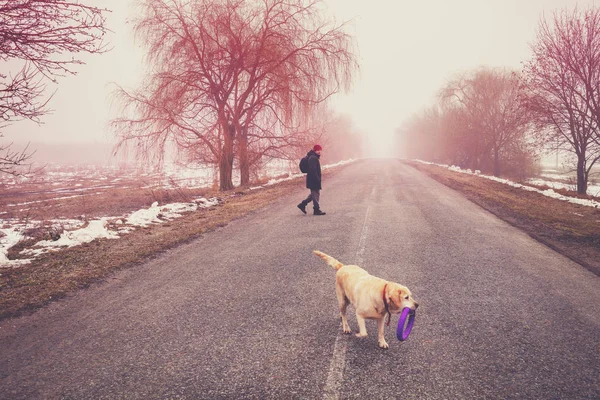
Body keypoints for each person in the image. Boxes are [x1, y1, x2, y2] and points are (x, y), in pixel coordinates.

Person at [298, 144, 326, 216]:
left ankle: (302, 204)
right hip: (313, 179)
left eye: (320, 150)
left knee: (313, 194)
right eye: (319, 150)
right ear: (316, 150)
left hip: (312, 179)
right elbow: (312, 170)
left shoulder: (313, 157)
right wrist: (317, 179)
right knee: (316, 194)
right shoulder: (313, 158)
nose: (320, 152)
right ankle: (316, 210)